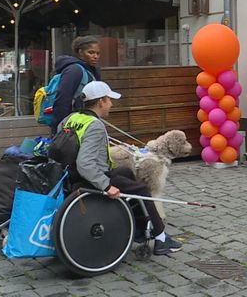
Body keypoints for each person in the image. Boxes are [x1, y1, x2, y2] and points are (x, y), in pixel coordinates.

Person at [59, 81, 183, 255]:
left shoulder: (71, 119)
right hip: (88, 178)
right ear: (100, 101)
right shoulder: (95, 125)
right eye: (109, 100)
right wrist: (107, 186)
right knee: (141, 190)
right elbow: (85, 164)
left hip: (70, 175)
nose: (111, 104)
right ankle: (161, 238)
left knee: (126, 172)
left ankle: (138, 228)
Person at [51, 36, 102, 131]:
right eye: (91, 52)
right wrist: (63, 130)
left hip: (84, 124)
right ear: (80, 53)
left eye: (98, 53)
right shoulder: (74, 70)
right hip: (70, 129)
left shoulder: (92, 71)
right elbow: (62, 100)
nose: (95, 56)